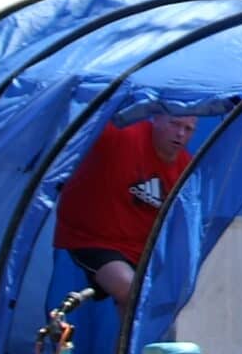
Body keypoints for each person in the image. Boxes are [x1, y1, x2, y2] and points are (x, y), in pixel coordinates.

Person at [53, 114, 197, 316]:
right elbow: (76, 126)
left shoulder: (186, 169)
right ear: (156, 119)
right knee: (132, 291)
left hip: (142, 251)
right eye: (175, 124)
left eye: (188, 129)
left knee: (155, 306)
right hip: (92, 239)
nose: (180, 134)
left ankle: (130, 339)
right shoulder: (121, 133)